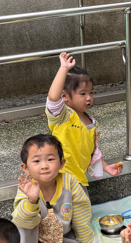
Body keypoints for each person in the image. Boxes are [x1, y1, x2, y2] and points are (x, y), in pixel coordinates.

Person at [13, 133, 98, 243]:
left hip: (60, 241)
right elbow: (21, 222)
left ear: (61, 163)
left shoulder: (69, 182)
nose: (44, 166)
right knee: (23, 224)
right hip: (29, 242)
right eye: (36, 161)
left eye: (50, 159)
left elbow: (81, 214)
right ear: (25, 168)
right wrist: (31, 201)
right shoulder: (26, 187)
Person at [46, 51, 123, 189]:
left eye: (91, 93)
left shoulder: (92, 123)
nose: (88, 98)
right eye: (82, 93)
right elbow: (53, 98)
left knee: (83, 204)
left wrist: (106, 167)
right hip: (59, 179)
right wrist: (63, 68)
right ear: (64, 96)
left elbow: (91, 153)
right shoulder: (63, 117)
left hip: (78, 180)